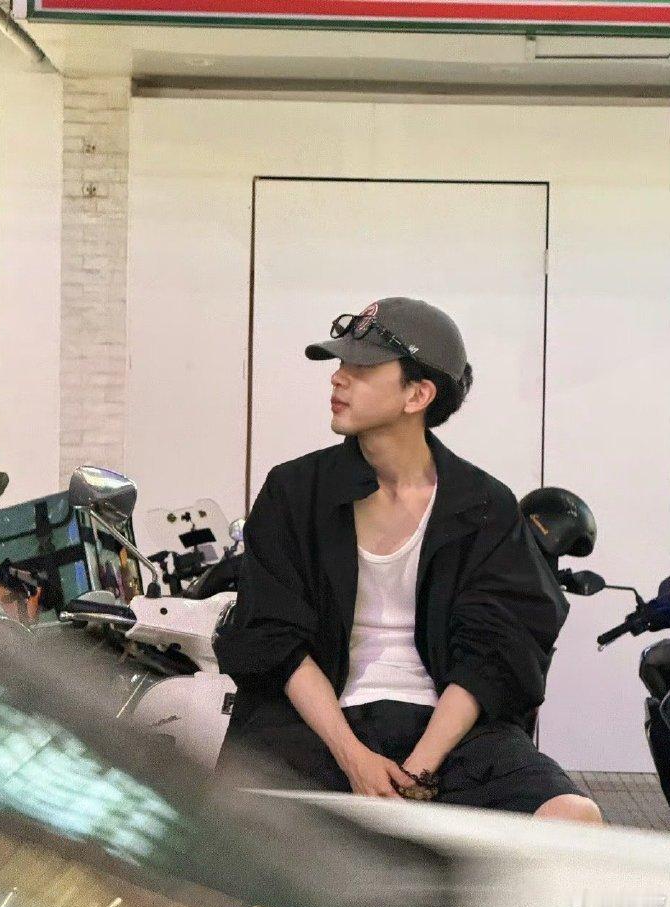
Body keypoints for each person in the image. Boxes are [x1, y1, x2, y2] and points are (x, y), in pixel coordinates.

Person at [214, 297, 602, 823]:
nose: (338, 378)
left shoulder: (484, 505)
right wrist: (354, 758)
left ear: (418, 394)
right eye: (340, 363)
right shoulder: (295, 490)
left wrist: (418, 772)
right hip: (314, 724)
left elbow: (494, 654)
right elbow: (273, 635)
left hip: (449, 729)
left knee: (574, 817)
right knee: (233, 830)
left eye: (361, 369)